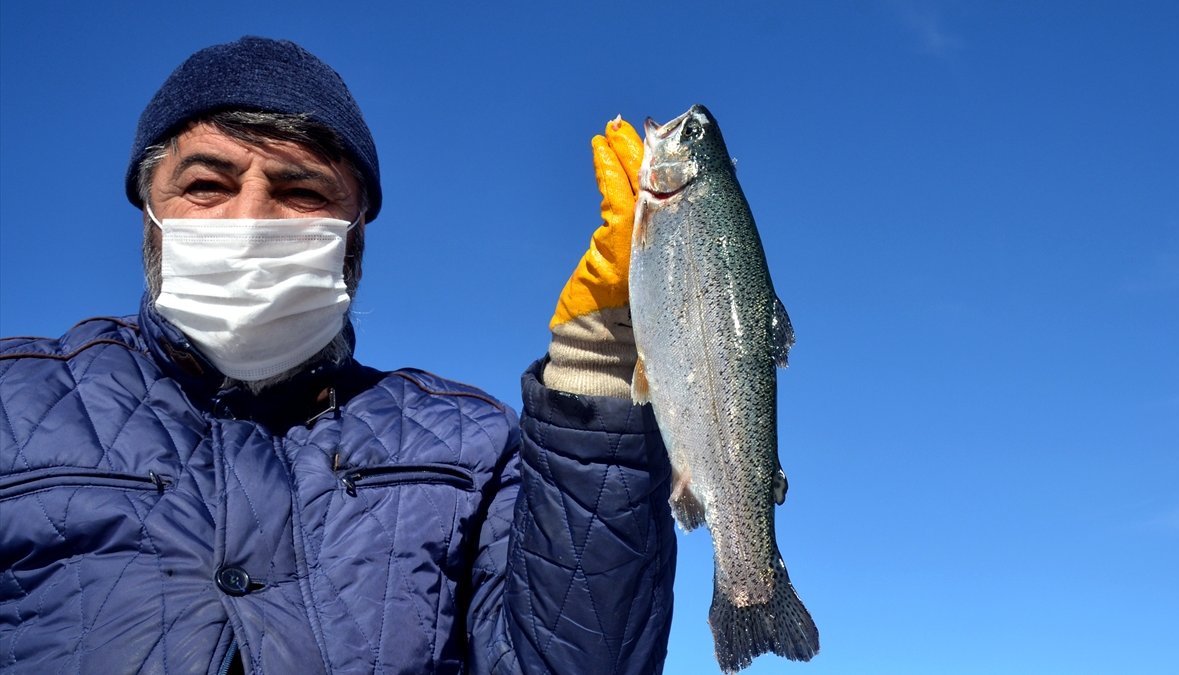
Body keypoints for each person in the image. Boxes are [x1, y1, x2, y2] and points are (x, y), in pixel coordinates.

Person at [0, 36, 675, 674]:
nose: (250, 220)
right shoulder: (14, 400)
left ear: (355, 231)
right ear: (150, 211)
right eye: (207, 185)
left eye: (303, 192)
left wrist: (600, 376)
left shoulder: (474, 444)